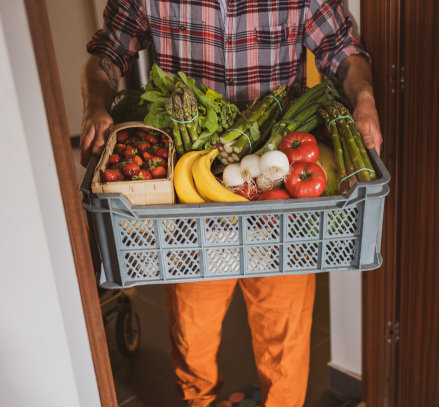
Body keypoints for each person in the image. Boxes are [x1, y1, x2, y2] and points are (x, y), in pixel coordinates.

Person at [81, 1, 382, 406]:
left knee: (284, 342)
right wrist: (94, 106)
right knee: (192, 340)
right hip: (192, 198)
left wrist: (364, 100)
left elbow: (344, 50)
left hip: (278, 194)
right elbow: (107, 54)